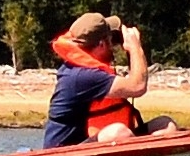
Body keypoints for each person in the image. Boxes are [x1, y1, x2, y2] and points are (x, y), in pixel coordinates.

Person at [42, 12, 177, 148]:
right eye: (110, 39)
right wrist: (135, 47)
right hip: (65, 151)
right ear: (101, 44)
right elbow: (138, 86)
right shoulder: (81, 76)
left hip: (90, 142)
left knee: (166, 125)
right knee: (119, 133)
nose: (114, 45)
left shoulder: (89, 71)